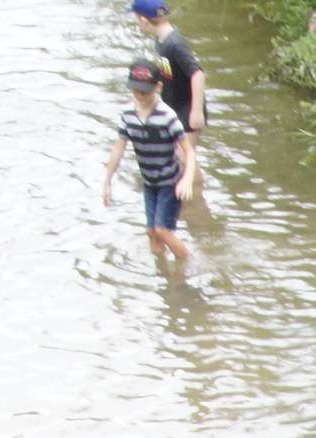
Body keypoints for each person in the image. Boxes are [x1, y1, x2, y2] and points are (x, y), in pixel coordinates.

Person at [99, 57, 190, 267]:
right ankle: (162, 272)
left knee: (162, 230)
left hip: (170, 182)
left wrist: (187, 178)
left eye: (145, 91)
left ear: (158, 88)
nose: (140, 96)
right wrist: (107, 181)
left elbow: (188, 151)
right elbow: (118, 147)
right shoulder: (128, 115)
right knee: (151, 232)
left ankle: (187, 264)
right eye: (136, 91)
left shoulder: (167, 116)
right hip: (149, 182)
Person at [131, 1, 204, 196]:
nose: (136, 23)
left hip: (188, 108)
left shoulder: (175, 44)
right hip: (175, 107)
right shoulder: (160, 40)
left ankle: (196, 195)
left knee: (185, 156)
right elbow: (166, 75)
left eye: (136, 19)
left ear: (144, 20)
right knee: (178, 155)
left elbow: (197, 74)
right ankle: (189, 193)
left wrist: (196, 111)